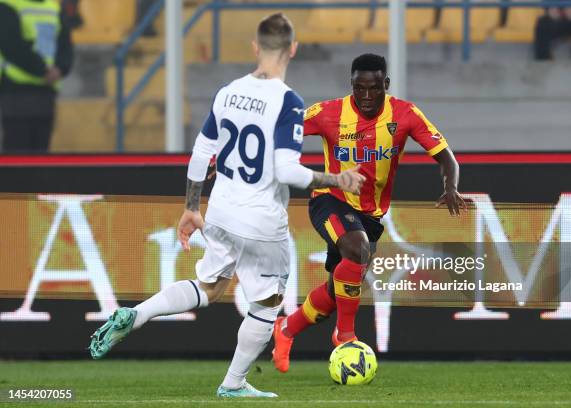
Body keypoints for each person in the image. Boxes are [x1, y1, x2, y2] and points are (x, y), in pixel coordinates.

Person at [88, 13, 365, 398]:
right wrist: (337, 179)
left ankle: (138, 314)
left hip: (219, 210)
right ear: (293, 50)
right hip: (261, 220)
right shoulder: (288, 101)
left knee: (210, 285)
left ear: (255, 48)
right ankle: (233, 384)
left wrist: (191, 207)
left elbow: (202, 152)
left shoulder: (227, 92)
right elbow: (287, 170)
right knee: (267, 303)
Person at [271, 53, 466, 373]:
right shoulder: (328, 112)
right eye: (358, 88)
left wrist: (450, 186)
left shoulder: (406, 114)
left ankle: (287, 329)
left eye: (373, 88)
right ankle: (345, 336)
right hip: (330, 200)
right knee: (357, 249)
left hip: (371, 215)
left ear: (385, 85)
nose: (365, 96)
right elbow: (281, 128)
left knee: (338, 288)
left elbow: (446, 157)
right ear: (351, 85)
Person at [0, 0, 73, 152]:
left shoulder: (53, 8)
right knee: (17, 153)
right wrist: (44, 70)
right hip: (16, 90)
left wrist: (61, 68)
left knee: (41, 154)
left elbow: (65, 44)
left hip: (45, 92)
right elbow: (11, 46)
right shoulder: (7, 5)